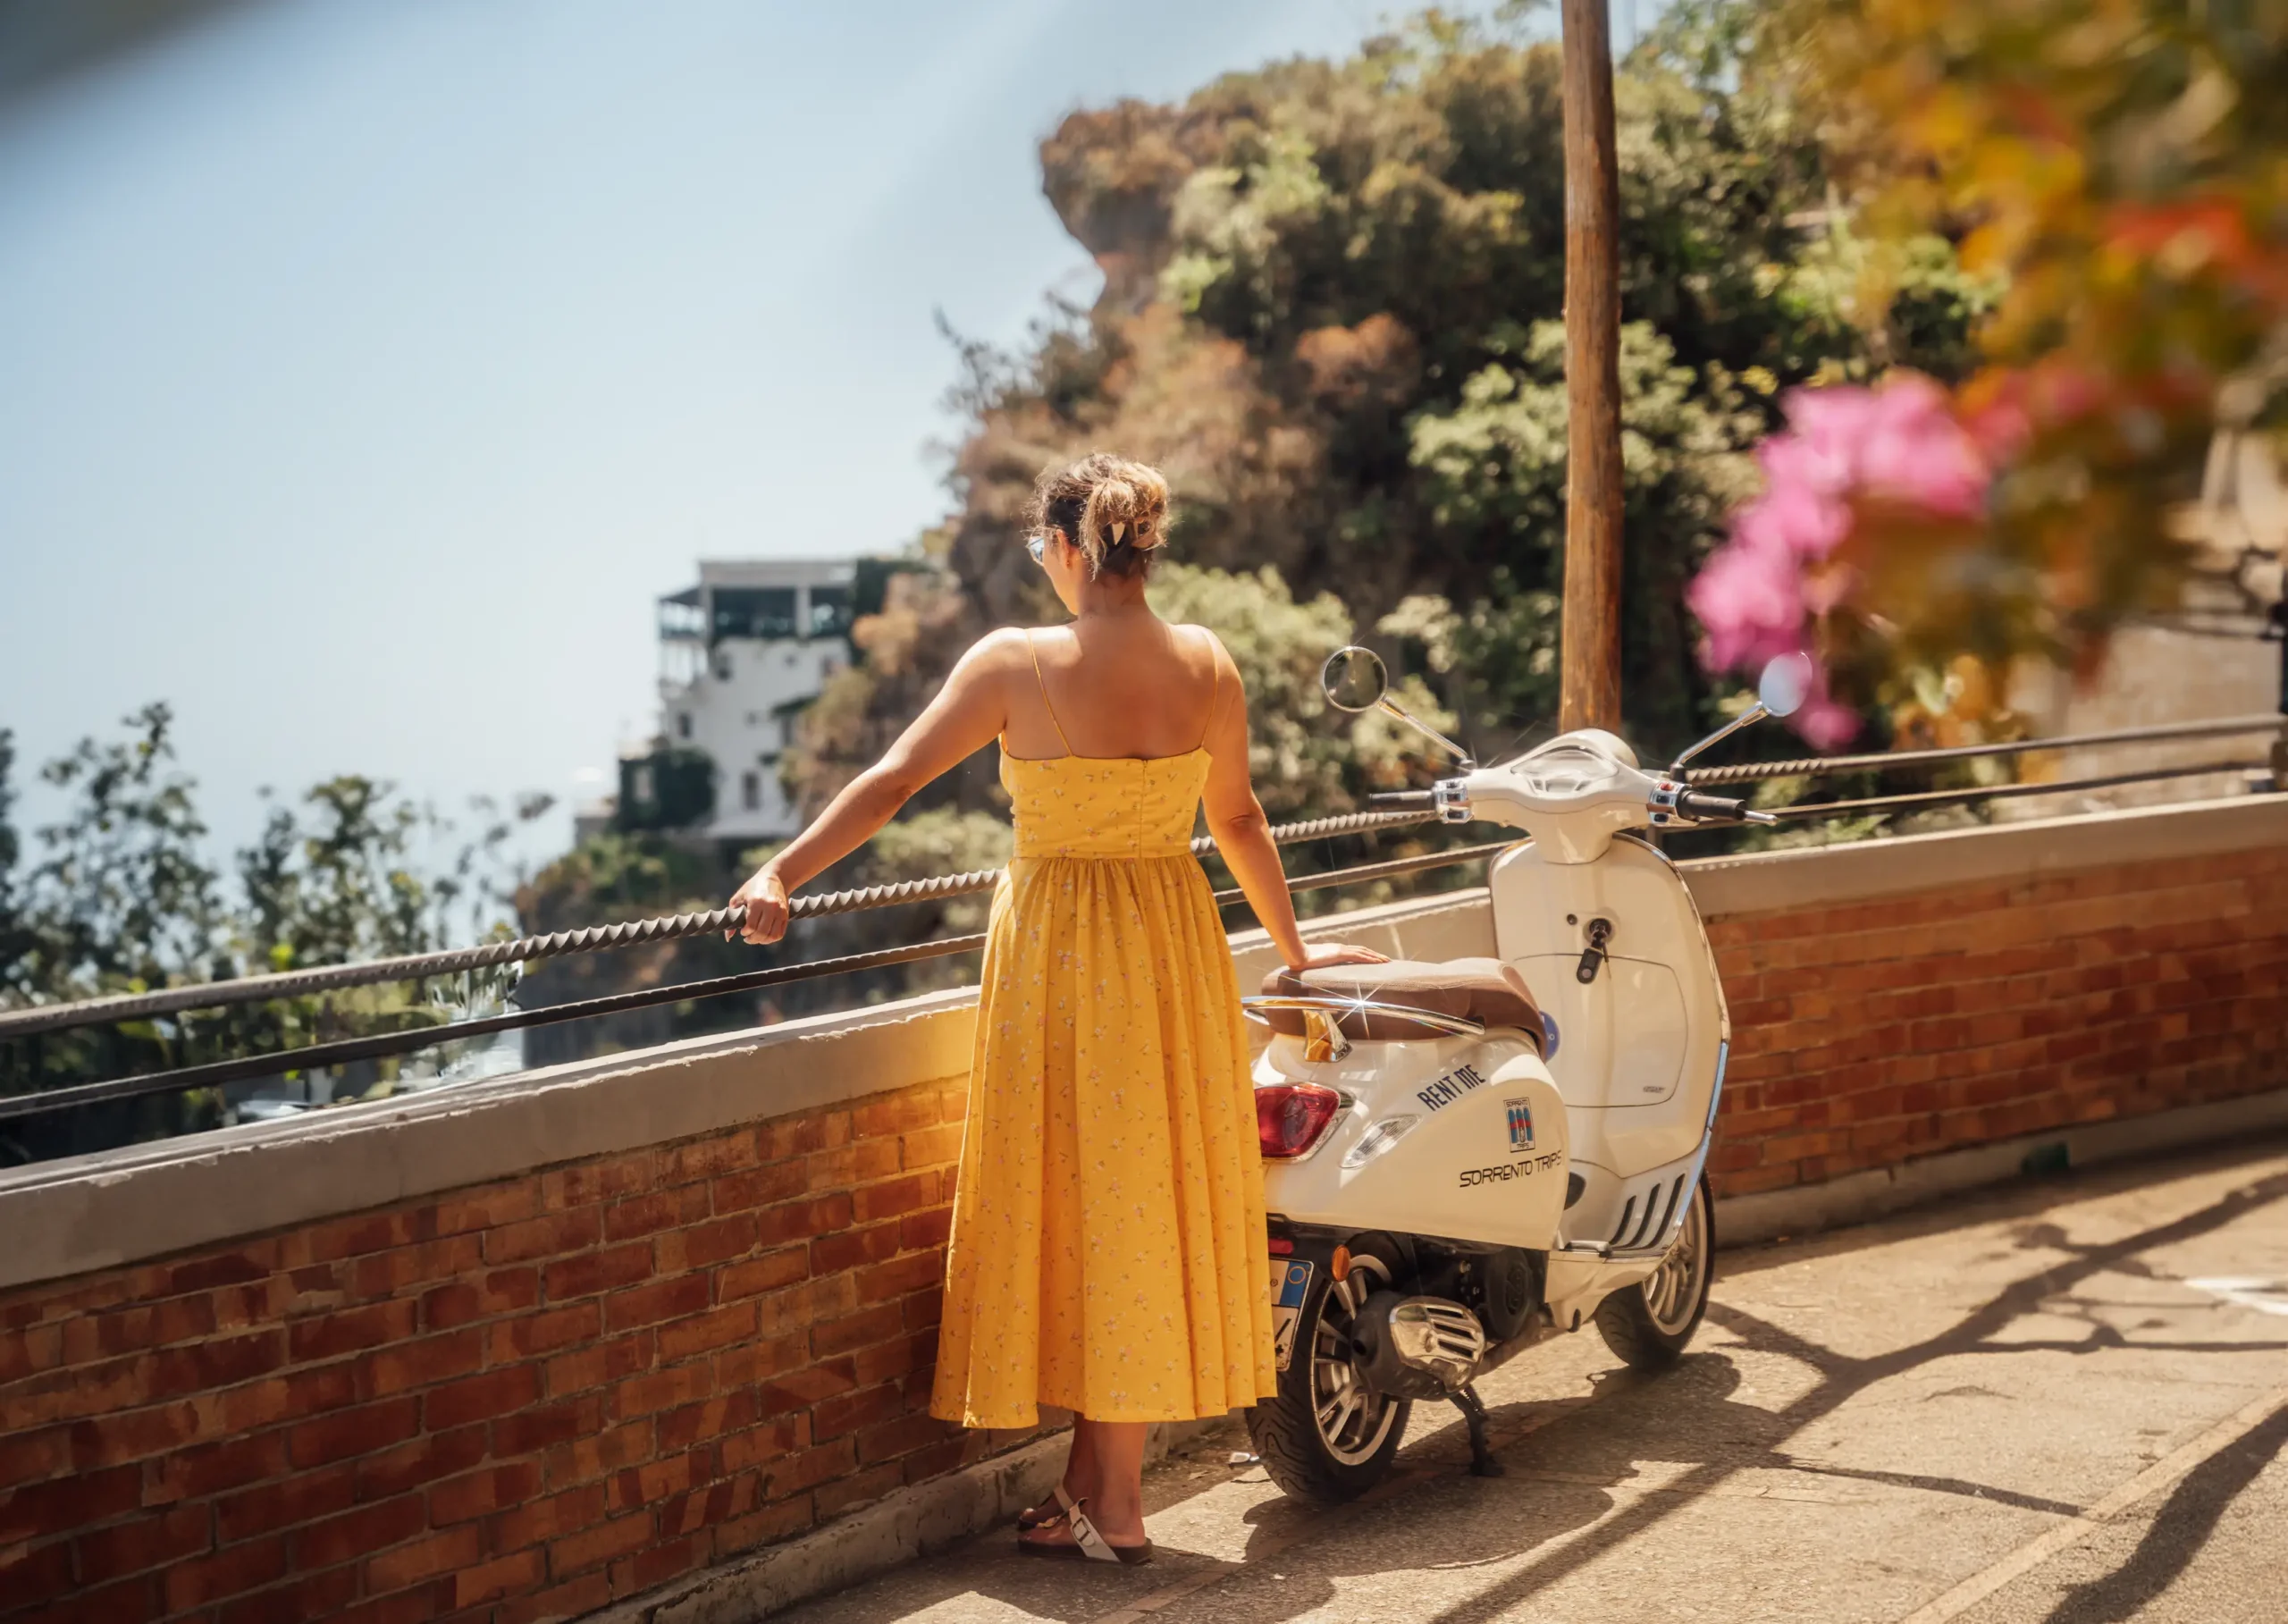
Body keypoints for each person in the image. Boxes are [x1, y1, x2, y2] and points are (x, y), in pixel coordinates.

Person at [728, 452, 1384, 1564]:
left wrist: (780, 872)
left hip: (1062, 961)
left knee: (1083, 1198)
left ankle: (1117, 1501)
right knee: (1134, 1198)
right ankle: (1092, 1483)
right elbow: (1240, 823)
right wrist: (1297, 951)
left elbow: (890, 781)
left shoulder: (1014, 662)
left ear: (1071, 547)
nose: (1043, 567)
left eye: (1044, 548)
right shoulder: (1207, 664)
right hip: (1171, 950)